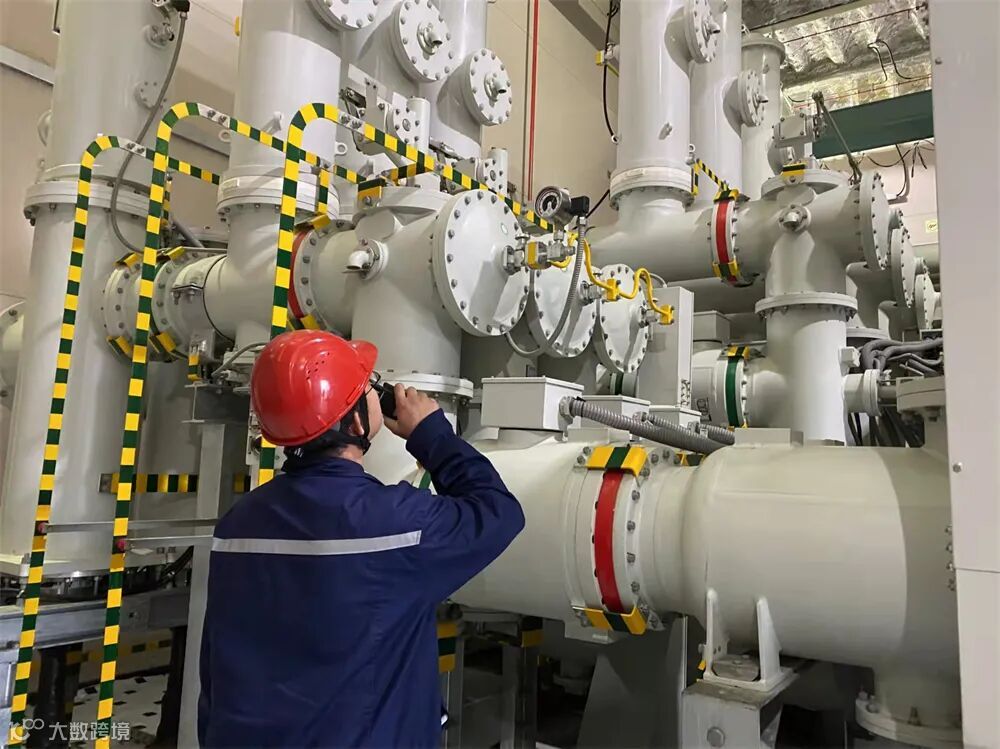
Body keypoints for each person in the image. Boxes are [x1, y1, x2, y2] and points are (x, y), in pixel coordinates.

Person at [198, 330, 525, 748]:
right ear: (355, 422)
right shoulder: (397, 527)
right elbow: (498, 513)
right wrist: (432, 435)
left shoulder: (235, 526)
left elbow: (215, 669)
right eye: (368, 386)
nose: (377, 390)